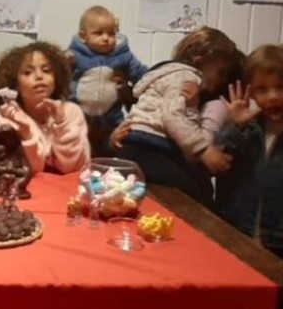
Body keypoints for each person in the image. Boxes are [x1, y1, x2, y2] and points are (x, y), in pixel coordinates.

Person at [118, 27, 239, 206]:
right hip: (150, 148)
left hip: (136, 145)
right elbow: (172, 116)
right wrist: (204, 150)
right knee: (196, 191)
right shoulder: (187, 77)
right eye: (221, 72)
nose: (222, 79)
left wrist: (191, 108)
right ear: (199, 61)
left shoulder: (166, 74)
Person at [216, 45, 283, 257]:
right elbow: (217, 162)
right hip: (237, 232)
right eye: (262, 89)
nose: (273, 96)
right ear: (251, 92)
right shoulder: (247, 128)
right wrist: (237, 126)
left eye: (281, 87)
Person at [0, 42, 90, 174]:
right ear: (15, 83)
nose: (39, 76)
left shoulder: (72, 112)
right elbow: (28, 170)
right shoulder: (8, 117)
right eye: (28, 72)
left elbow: (72, 167)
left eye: (46, 70)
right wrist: (26, 133)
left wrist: (61, 124)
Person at [67, 5, 147, 155]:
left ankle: (110, 150)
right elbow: (58, 75)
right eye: (98, 33)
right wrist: (64, 62)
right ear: (83, 37)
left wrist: (154, 79)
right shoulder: (75, 55)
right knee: (76, 143)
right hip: (79, 114)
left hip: (111, 117)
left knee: (117, 141)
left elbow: (141, 74)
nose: (106, 38)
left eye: (111, 33)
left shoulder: (123, 55)